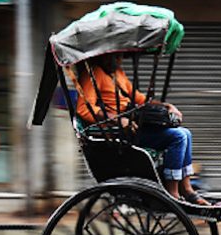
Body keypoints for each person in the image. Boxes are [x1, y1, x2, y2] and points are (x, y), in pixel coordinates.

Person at [76, 53, 207, 205]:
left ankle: (187, 189)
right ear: (104, 55)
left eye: (120, 58)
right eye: (115, 57)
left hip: (134, 126)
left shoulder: (117, 73)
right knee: (177, 136)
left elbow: (138, 98)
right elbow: (84, 109)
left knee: (186, 133)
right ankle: (173, 193)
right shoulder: (93, 74)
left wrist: (166, 106)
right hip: (117, 134)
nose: (119, 61)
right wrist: (118, 120)